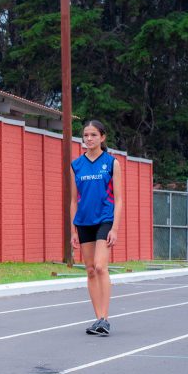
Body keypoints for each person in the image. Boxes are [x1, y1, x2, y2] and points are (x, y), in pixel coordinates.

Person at [69, 119, 123, 335]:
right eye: (86, 135)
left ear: (102, 137)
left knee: (101, 266)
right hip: (83, 222)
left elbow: (119, 199)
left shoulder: (111, 163)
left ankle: (105, 318)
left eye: (93, 135)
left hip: (104, 219)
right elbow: (73, 200)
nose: (88, 139)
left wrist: (115, 228)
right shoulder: (76, 165)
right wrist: (73, 230)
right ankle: (98, 318)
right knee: (90, 270)